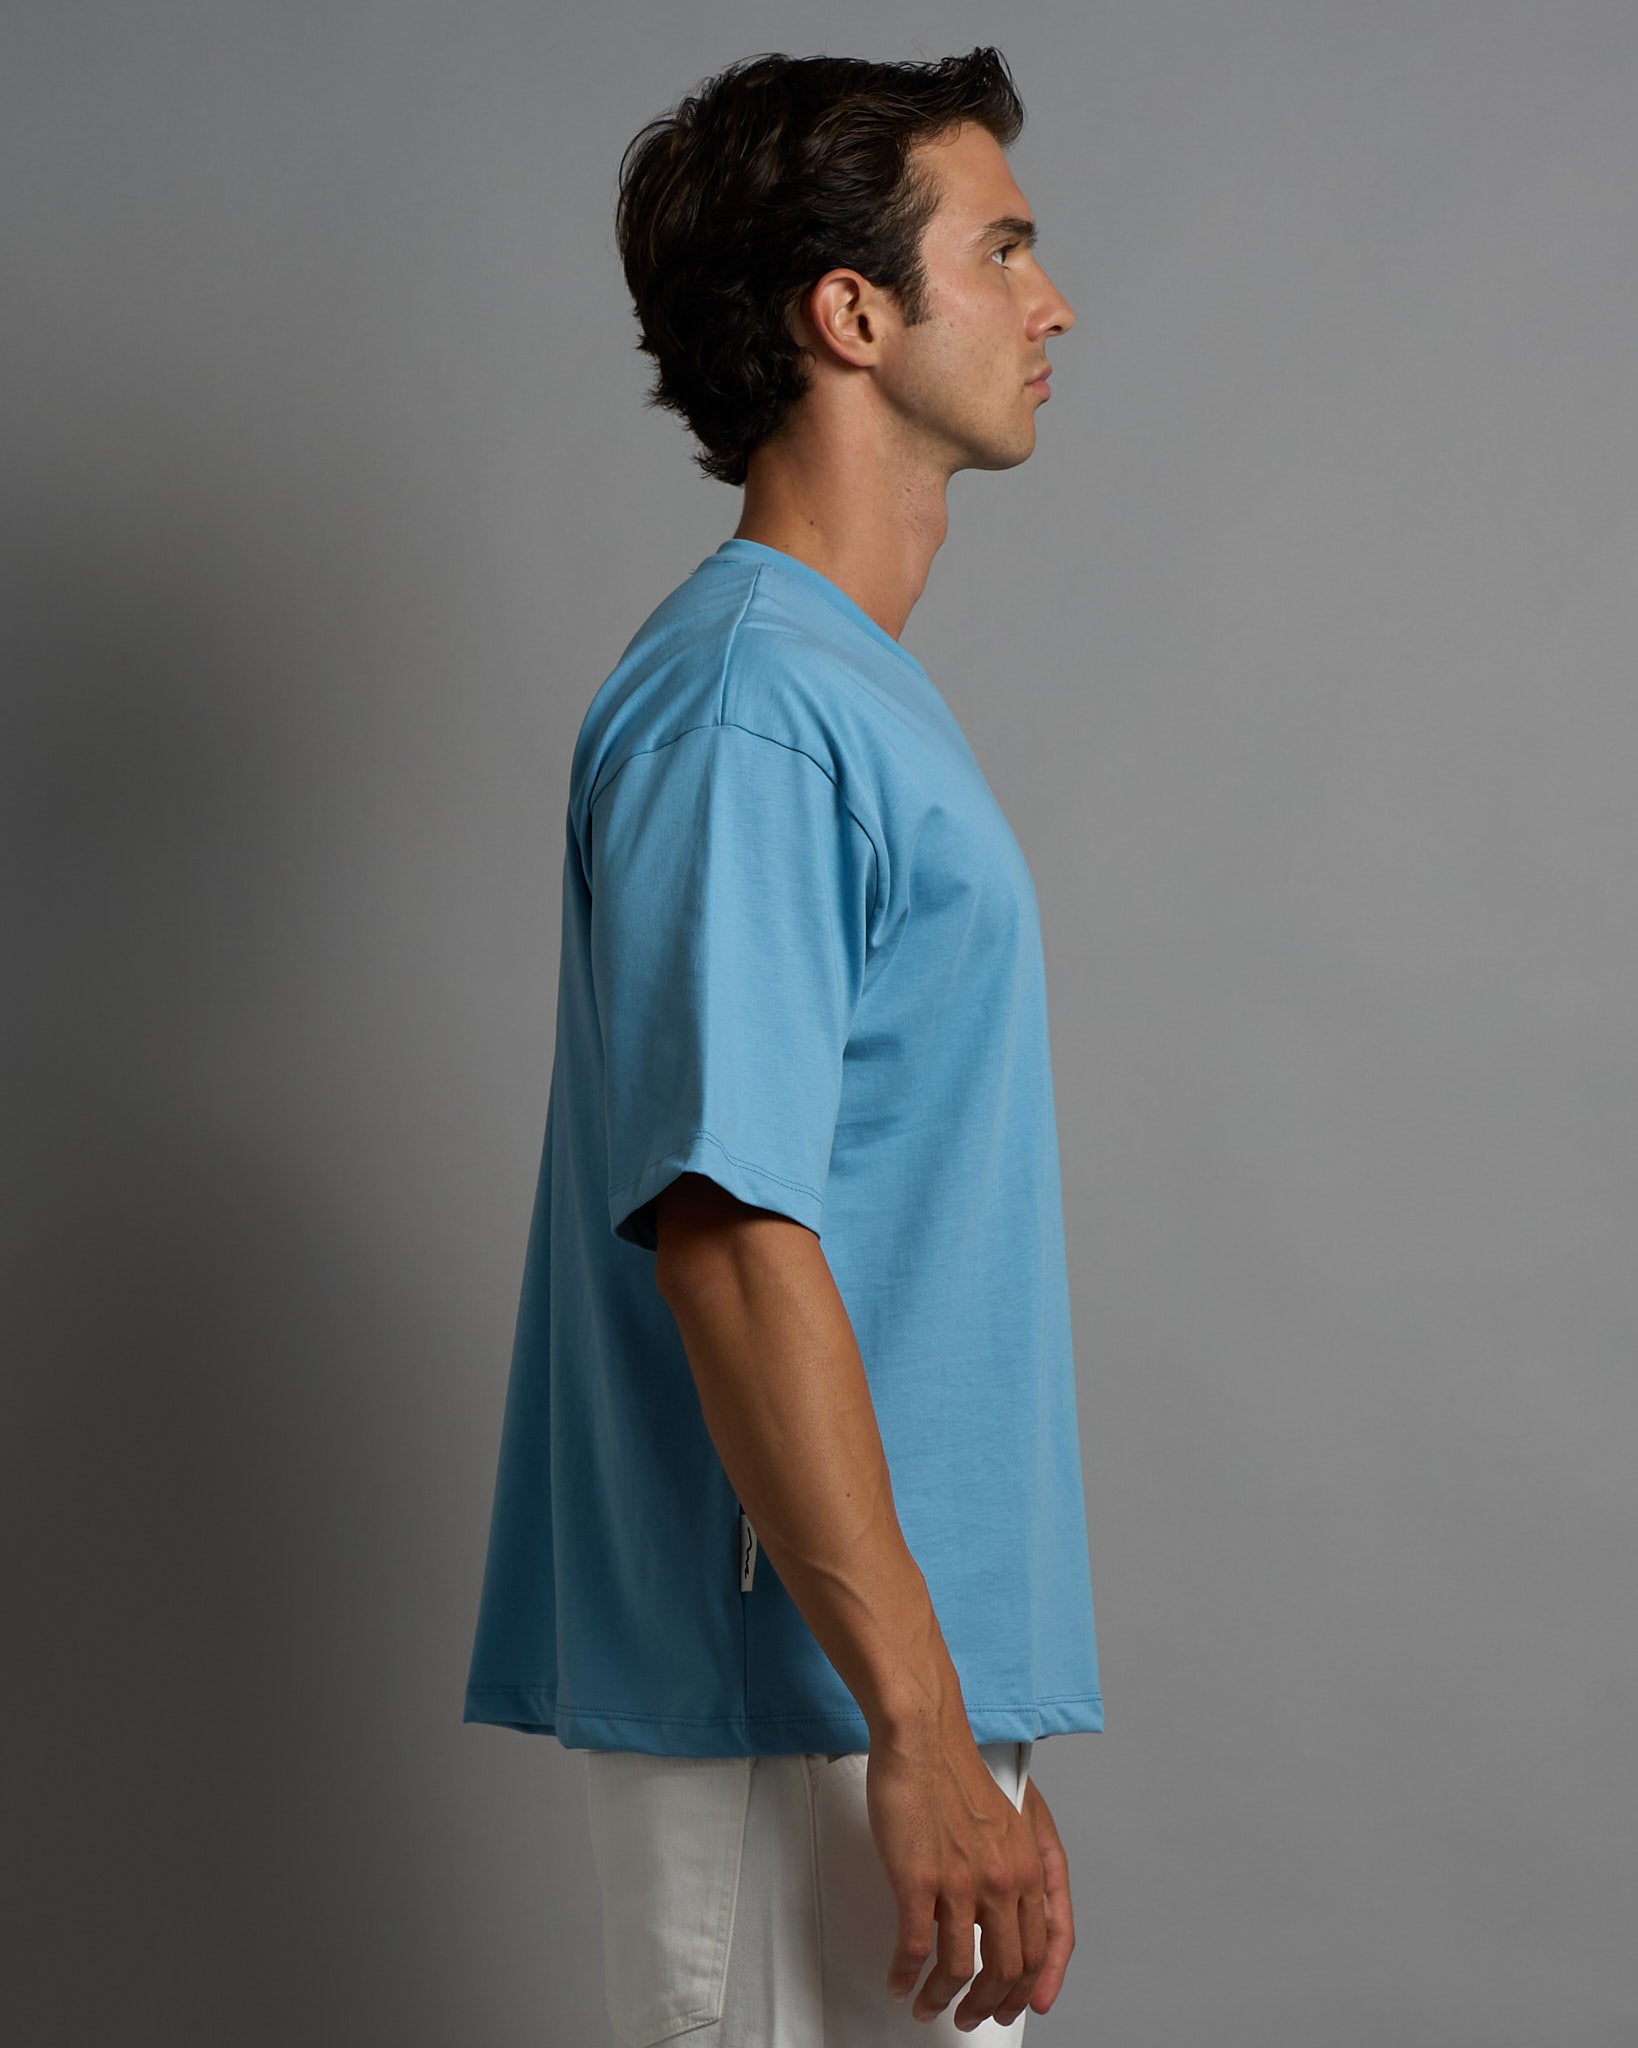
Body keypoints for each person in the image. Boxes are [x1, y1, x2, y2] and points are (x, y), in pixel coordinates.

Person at [463, 46, 1103, 2045]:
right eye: (1000, 249)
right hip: (798, 1708)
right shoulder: (750, 705)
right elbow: (730, 1235)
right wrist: (915, 1724)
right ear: (853, 313)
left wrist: (969, 1724)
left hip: (878, 1697)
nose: (1052, 300)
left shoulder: (840, 693)